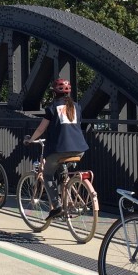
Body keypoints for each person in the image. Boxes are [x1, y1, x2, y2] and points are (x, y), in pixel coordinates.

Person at [25, 78, 88, 214]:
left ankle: (57, 206)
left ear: (54, 93)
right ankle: (68, 197)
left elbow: (41, 129)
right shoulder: (77, 106)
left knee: (47, 175)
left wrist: (30, 140)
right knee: (61, 171)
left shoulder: (52, 108)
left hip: (59, 150)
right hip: (80, 149)